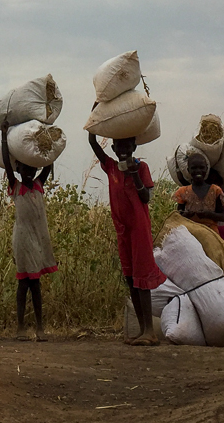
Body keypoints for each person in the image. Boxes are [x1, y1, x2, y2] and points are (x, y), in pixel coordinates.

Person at [89, 125, 166, 346]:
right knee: (131, 278)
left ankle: (150, 331)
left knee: (142, 278)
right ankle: (143, 330)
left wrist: (133, 173)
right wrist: (95, 118)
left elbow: (146, 197)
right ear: (113, 148)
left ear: (134, 146)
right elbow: (92, 143)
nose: (123, 149)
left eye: (127, 145)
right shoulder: (111, 167)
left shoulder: (142, 168)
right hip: (122, 230)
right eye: (118, 146)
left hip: (139, 230)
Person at [0, 121, 58, 341]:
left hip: (37, 239)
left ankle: (40, 327)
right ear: (18, 170)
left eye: (32, 169)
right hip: (23, 239)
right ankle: (22, 328)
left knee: (36, 284)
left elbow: (48, 165)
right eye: (25, 169)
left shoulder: (38, 185)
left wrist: (47, 139)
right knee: (26, 282)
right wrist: (5, 137)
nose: (29, 172)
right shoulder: (17, 188)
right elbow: (6, 162)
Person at [173, 152, 224, 240]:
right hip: (190, 235)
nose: (198, 171)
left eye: (201, 167)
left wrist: (208, 215)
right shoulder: (183, 192)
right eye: (194, 168)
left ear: (207, 169)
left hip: (211, 235)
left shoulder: (215, 190)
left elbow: (223, 216)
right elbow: (178, 215)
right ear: (188, 170)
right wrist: (187, 214)